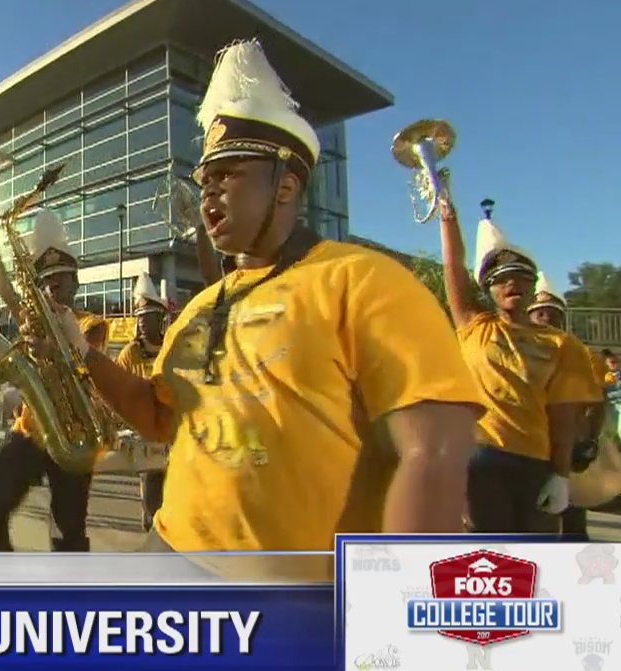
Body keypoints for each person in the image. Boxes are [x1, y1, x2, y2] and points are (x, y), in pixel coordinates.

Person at [28, 40, 482, 576]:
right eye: (204, 180)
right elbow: (157, 415)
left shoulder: (367, 280)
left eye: (228, 174)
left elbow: (434, 454)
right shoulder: (198, 307)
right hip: (168, 553)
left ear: (286, 184)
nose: (208, 192)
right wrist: (78, 349)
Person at [439, 205, 600, 534]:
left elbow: (564, 416)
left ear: (533, 285)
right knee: (489, 561)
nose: (512, 284)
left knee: (536, 562)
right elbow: (453, 267)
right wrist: (447, 218)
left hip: (535, 464)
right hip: (479, 458)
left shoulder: (564, 346)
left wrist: (561, 474)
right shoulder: (475, 327)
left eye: (522, 277)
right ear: (488, 289)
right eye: (500, 279)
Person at [0, 210, 100, 553]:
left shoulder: (92, 325)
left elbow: (91, 372)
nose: (53, 287)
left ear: (75, 281)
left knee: (68, 534)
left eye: (61, 278)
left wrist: (55, 348)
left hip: (72, 438)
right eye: (46, 281)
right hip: (31, 431)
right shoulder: (33, 318)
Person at [525, 273, 606, 540]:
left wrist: (589, 440)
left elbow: (596, 404)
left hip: (568, 443)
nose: (546, 318)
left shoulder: (584, 355)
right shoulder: (518, 350)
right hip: (529, 444)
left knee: (570, 514)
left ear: (562, 318)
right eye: (540, 313)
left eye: (552, 313)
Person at [115, 274, 169, 532]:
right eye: (140, 318)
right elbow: (115, 391)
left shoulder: (174, 347)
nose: (143, 324)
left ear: (161, 319)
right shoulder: (129, 354)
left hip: (175, 434)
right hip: (146, 438)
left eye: (148, 317)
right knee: (152, 497)